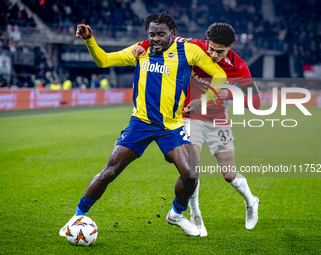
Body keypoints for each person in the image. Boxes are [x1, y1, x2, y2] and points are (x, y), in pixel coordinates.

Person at [59, 12, 226, 237]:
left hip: (171, 126)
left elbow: (219, 74)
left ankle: (176, 213)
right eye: (152, 34)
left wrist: (203, 101)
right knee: (110, 171)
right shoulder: (141, 50)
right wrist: (90, 39)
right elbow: (104, 60)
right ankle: (77, 217)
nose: (156, 39)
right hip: (141, 123)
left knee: (192, 173)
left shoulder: (188, 51)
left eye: (161, 34)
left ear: (172, 34)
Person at [133, 23, 261, 236]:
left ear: (230, 47)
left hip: (218, 120)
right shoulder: (194, 46)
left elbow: (256, 102)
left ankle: (251, 201)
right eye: (211, 48)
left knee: (228, 174)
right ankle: (195, 214)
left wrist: (228, 95)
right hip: (189, 118)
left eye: (219, 51)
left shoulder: (239, 67)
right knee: (192, 168)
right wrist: (141, 45)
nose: (212, 54)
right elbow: (163, 39)